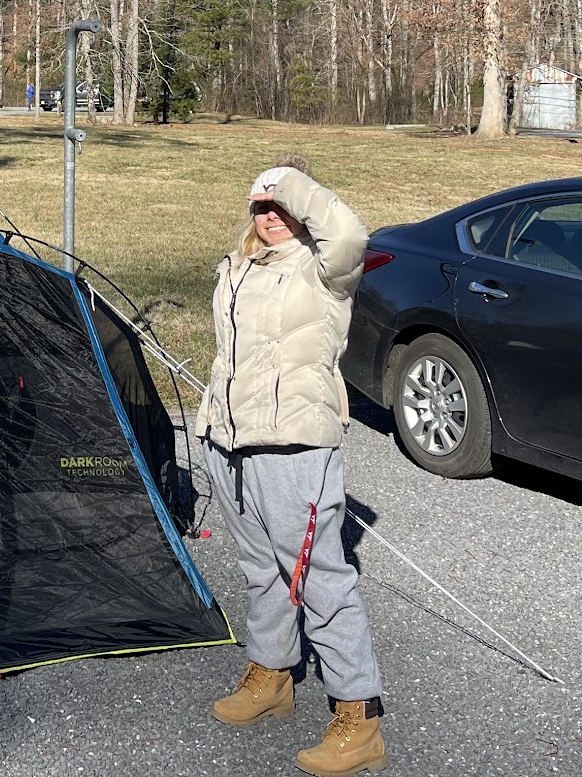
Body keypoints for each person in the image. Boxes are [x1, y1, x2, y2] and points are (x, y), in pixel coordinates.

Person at [200, 156, 386, 776]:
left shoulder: (324, 269)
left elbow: (350, 232)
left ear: (306, 206)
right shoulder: (237, 264)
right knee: (262, 571)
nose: (272, 215)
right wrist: (212, 427)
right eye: (262, 205)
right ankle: (272, 674)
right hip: (229, 440)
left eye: (285, 205)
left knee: (319, 579)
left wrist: (289, 184)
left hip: (295, 446)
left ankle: (359, 716)